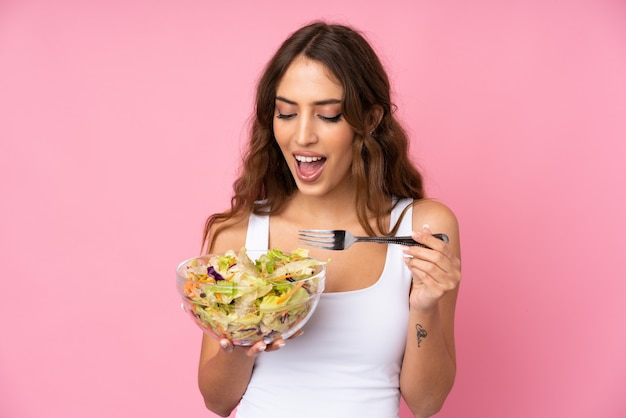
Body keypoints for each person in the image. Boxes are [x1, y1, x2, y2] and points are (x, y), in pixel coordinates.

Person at [197, 21, 462, 418]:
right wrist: (239, 341)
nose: (302, 136)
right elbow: (218, 402)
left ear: (369, 120)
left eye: (329, 116)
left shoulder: (420, 230)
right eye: (286, 113)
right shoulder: (237, 235)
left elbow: (426, 403)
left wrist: (424, 307)